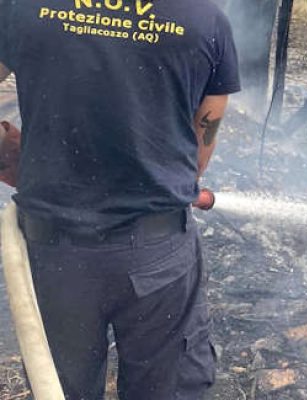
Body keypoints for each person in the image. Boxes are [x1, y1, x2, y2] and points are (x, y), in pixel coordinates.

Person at [0, 0, 240, 398]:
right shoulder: (206, 19)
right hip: (157, 256)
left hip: (54, 254)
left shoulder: (22, 6)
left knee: (59, 389)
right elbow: (200, 150)